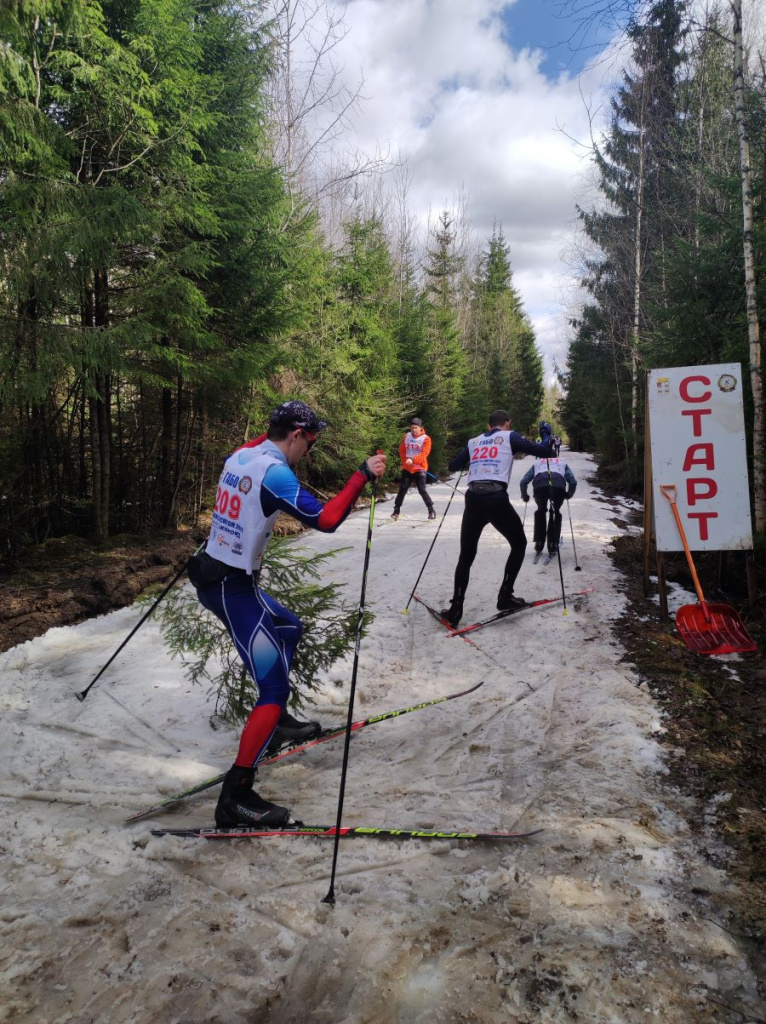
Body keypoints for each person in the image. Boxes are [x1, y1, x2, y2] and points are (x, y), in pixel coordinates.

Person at [187, 400, 386, 828]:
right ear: (295, 435)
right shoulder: (275, 473)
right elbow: (329, 519)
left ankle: (275, 726)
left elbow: (259, 438)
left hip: (220, 575)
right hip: (229, 587)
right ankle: (235, 799)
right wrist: (362, 474)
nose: (308, 453)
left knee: (289, 627)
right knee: (272, 693)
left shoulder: (242, 455)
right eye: (310, 443)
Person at [439, 410, 555, 627]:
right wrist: (546, 434)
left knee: (466, 555)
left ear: (488, 424)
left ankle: (455, 609)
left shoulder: (474, 441)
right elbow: (546, 451)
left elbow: (453, 466)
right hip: (496, 499)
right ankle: (505, 596)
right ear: (507, 423)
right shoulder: (510, 437)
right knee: (519, 544)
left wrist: (472, 455)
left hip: (473, 500)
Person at [519, 455, 577, 559]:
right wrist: (569, 493)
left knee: (541, 511)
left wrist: (525, 496)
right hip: (558, 487)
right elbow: (573, 481)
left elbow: (523, 482)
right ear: (556, 457)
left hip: (540, 487)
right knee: (555, 512)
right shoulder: (562, 463)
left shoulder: (537, 463)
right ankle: (552, 544)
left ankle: (539, 542)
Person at [391, 417, 436, 521]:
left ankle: (431, 510)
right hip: (407, 468)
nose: (413, 430)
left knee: (422, 490)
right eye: (412, 428)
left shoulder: (426, 438)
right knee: (403, 489)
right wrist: (405, 460)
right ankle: (396, 510)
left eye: (415, 428)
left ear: (421, 428)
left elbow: (424, 454)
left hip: (420, 468)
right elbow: (402, 450)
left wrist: (413, 459)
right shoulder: (406, 436)